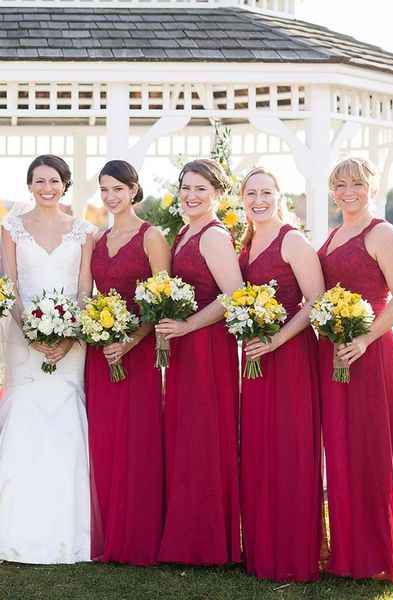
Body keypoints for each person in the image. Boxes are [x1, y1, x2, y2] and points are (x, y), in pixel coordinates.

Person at [318, 157, 393, 589]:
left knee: (374, 449)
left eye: (357, 183)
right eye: (340, 183)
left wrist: (364, 339)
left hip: (372, 354)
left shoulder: (382, 232)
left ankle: (381, 549)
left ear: (372, 187)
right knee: (342, 451)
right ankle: (350, 548)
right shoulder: (333, 234)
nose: (349, 191)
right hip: (338, 355)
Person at [0, 154, 94, 563]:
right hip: (25, 341)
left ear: (65, 184)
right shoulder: (11, 229)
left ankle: (69, 529)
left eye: (53, 180)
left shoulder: (85, 231)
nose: (46, 187)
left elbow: (85, 289)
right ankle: (15, 528)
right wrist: (31, 331)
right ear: (30, 185)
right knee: (25, 416)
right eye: (39, 181)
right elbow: (11, 286)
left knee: (65, 421)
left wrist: (71, 336)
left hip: (73, 343)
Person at [238, 167, 324, 582]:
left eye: (266, 192)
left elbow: (316, 301)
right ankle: (261, 549)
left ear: (279, 195)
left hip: (288, 358)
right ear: (242, 198)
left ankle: (292, 552)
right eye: (251, 193)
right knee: (257, 448)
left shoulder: (292, 239)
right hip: (256, 358)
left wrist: (276, 340)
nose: (259, 200)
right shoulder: (249, 241)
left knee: (288, 449)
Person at [156, 159, 242, 565]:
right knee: (186, 435)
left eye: (200, 190)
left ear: (217, 194)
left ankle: (206, 541)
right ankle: (186, 534)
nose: (190, 196)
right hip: (187, 345)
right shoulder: (185, 232)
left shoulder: (213, 236)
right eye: (185, 188)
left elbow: (233, 295)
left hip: (207, 347)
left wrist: (188, 326)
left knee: (205, 435)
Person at [86, 160, 170, 565]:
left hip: (137, 356)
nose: (111, 197)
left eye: (118, 188)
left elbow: (162, 298)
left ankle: (138, 537)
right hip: (101, 353)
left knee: (137, 441)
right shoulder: (97, 240)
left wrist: (131, 340)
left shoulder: (151, 236)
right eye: (104, 189)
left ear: (134, 191)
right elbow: (89, 296)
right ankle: (106, 535)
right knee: (104, 440)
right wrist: (100, 333)